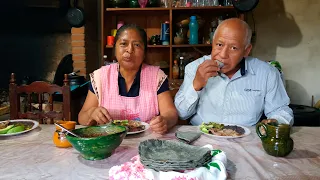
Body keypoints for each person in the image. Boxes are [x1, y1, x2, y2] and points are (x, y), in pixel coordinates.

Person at [174, 18, 293, 126]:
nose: (223, 54)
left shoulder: (267, 73)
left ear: (247, 50)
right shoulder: (195, 68)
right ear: (212, 43)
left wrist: (276, 122)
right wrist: (196, 85)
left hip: (246, 141)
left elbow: (280, 111)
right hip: (203, 138)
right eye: (219, 45)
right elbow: (181, 113)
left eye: (233, 48)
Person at [79, 24, 178, 134]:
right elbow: (82, 117)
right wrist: (91, 113)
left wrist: (165, 121)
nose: (129, 50)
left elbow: (171, 113)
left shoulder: (156, 76)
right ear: (115, 49)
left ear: (145, 52)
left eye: (136, 45)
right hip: (109, 142)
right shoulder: (101, 77)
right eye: (123, 44)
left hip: (147, 141)